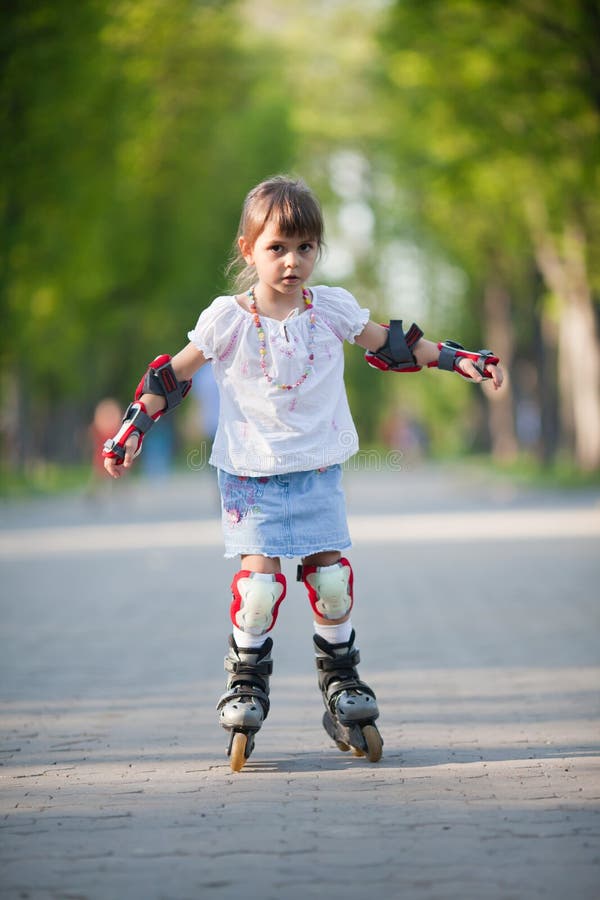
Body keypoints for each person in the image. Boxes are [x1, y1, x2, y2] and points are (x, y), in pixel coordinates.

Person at [103, 175, 503, 772]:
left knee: (332, 582)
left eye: (306, 248)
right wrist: (132, 427)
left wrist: (459, 359)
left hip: (316, 471)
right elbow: (170, 376)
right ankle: (246, 683)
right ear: (249, 249)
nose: (293, 261)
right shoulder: (227, 320)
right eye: (277, 248)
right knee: (259, 591)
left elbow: (394, 344)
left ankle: (340, 685)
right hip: (251, 476)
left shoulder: (330, 309)